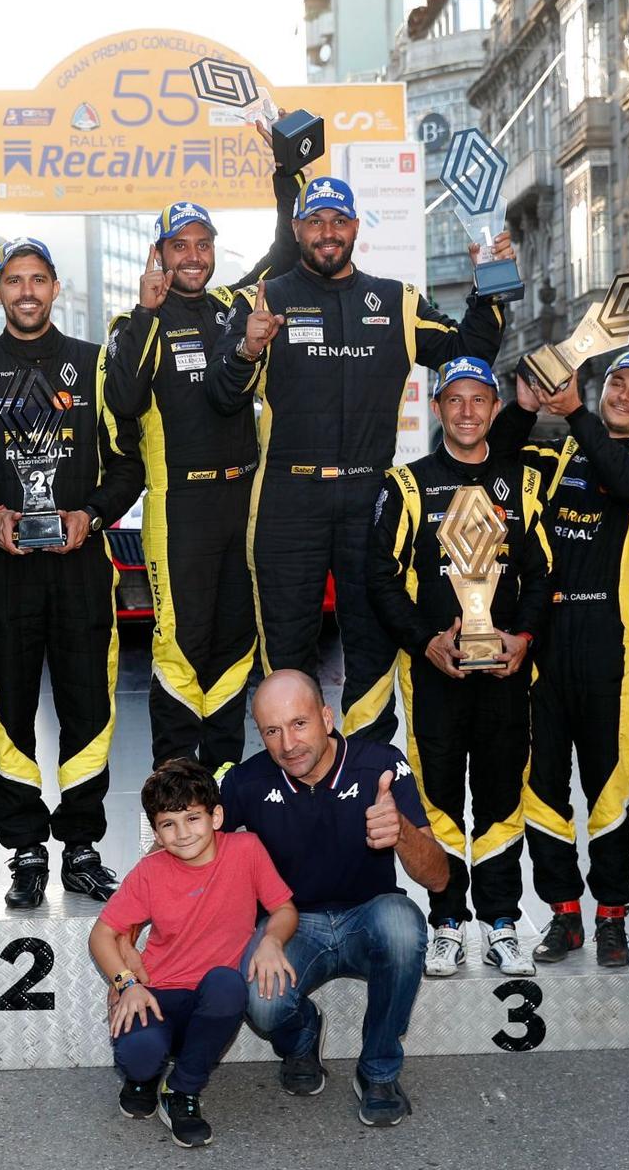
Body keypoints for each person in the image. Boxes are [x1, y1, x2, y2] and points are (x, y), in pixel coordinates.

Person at [208, 176, 511, 744]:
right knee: (287, 645)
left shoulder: (395, 299)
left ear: (354, 228)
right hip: (286, 502)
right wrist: (248, 347)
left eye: (338, 221)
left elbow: (468, 354)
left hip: (370, 497)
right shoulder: (264, 297)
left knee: (372, 639)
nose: (328, 233)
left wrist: (487, 285)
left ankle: (368, 773)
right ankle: (294, 778)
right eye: (315, 222)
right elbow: (223, 397)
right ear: (297, 229)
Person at [0, 238, 144, 908]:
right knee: (9, 712)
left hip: (81, 568)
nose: (27, 291)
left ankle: (82, 847)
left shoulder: (96, 365)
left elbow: (130, 465)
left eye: (38, 279)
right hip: (1, 575)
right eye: (13, 280)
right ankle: (24, 850)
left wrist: (93, 513)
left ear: (57, 288)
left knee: (90, 708)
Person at [487, 351, 629, 967]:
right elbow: (494, 463)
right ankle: (563, 914)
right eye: (616, 384)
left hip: (609, 637)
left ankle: (612, 917)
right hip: (543, 637)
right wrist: (525, 406)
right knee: (541, 785)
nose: (625, 395)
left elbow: (624, 482)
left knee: (610, 786)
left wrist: (574, 411)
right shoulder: (559, 453)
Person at [102, 165, 301, 771]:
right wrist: (144, 312)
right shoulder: (135, 323)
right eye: (179, 245)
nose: (193, 256)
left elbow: (286, 248)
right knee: (181, 651)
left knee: (236, 648)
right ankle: (175, 794)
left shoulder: (234, 308)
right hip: (179, 508)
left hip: (242, 504)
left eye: (203, 244)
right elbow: (124, 402)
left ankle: (222, 789)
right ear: (158, 254)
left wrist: (287, 175)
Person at [367, 357, 548, 979]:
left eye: (480, 400)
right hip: (435, 677)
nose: (468, 411)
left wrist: (522, 638)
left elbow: (542, 576)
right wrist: (426, 642)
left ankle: (500, 921)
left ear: (495, 409)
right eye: (455, 400)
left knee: (500, 794)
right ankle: (446, 919)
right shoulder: (406, 485)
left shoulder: (522, 484)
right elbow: (381, 582)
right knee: (439, 794)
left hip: (504, 675)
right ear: (437, 408)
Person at [221, 670, 446, 1127]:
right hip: (293, 923)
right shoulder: (245, 782)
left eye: (299, 723)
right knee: (259, 999)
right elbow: (206, 864)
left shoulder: (380, 765)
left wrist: (400, 830)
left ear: (326, 717)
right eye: (272, 731)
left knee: (404, 927)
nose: (288, 744)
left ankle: (379, 1070)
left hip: (370, 917)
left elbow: (438, 878)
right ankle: (302, 1036)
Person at [89, 758, 298, 1148]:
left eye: (192, 818)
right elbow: (102, 934)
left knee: (227, 984)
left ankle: (182, 1092)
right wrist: (127, 982)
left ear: (216, 816)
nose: (182, 833)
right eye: (168, 824)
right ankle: (145, 1076)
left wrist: (272, 940)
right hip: (156, 994)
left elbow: (284, 908)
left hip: (209, 1002)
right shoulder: (151, 871)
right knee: (139, 1058)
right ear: (156, 831)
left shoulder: (246, 850)